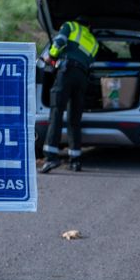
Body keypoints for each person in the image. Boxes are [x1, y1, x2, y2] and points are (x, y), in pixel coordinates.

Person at [41, 17, 99, 173]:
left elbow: (60, 41)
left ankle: (51, 158)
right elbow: (88, 61)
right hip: (82, 78)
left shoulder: (70, 26)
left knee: (56, 112)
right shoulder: (94, 41)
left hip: (66, 72)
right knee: (74, 119)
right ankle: (75, 161)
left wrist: (51, 57)